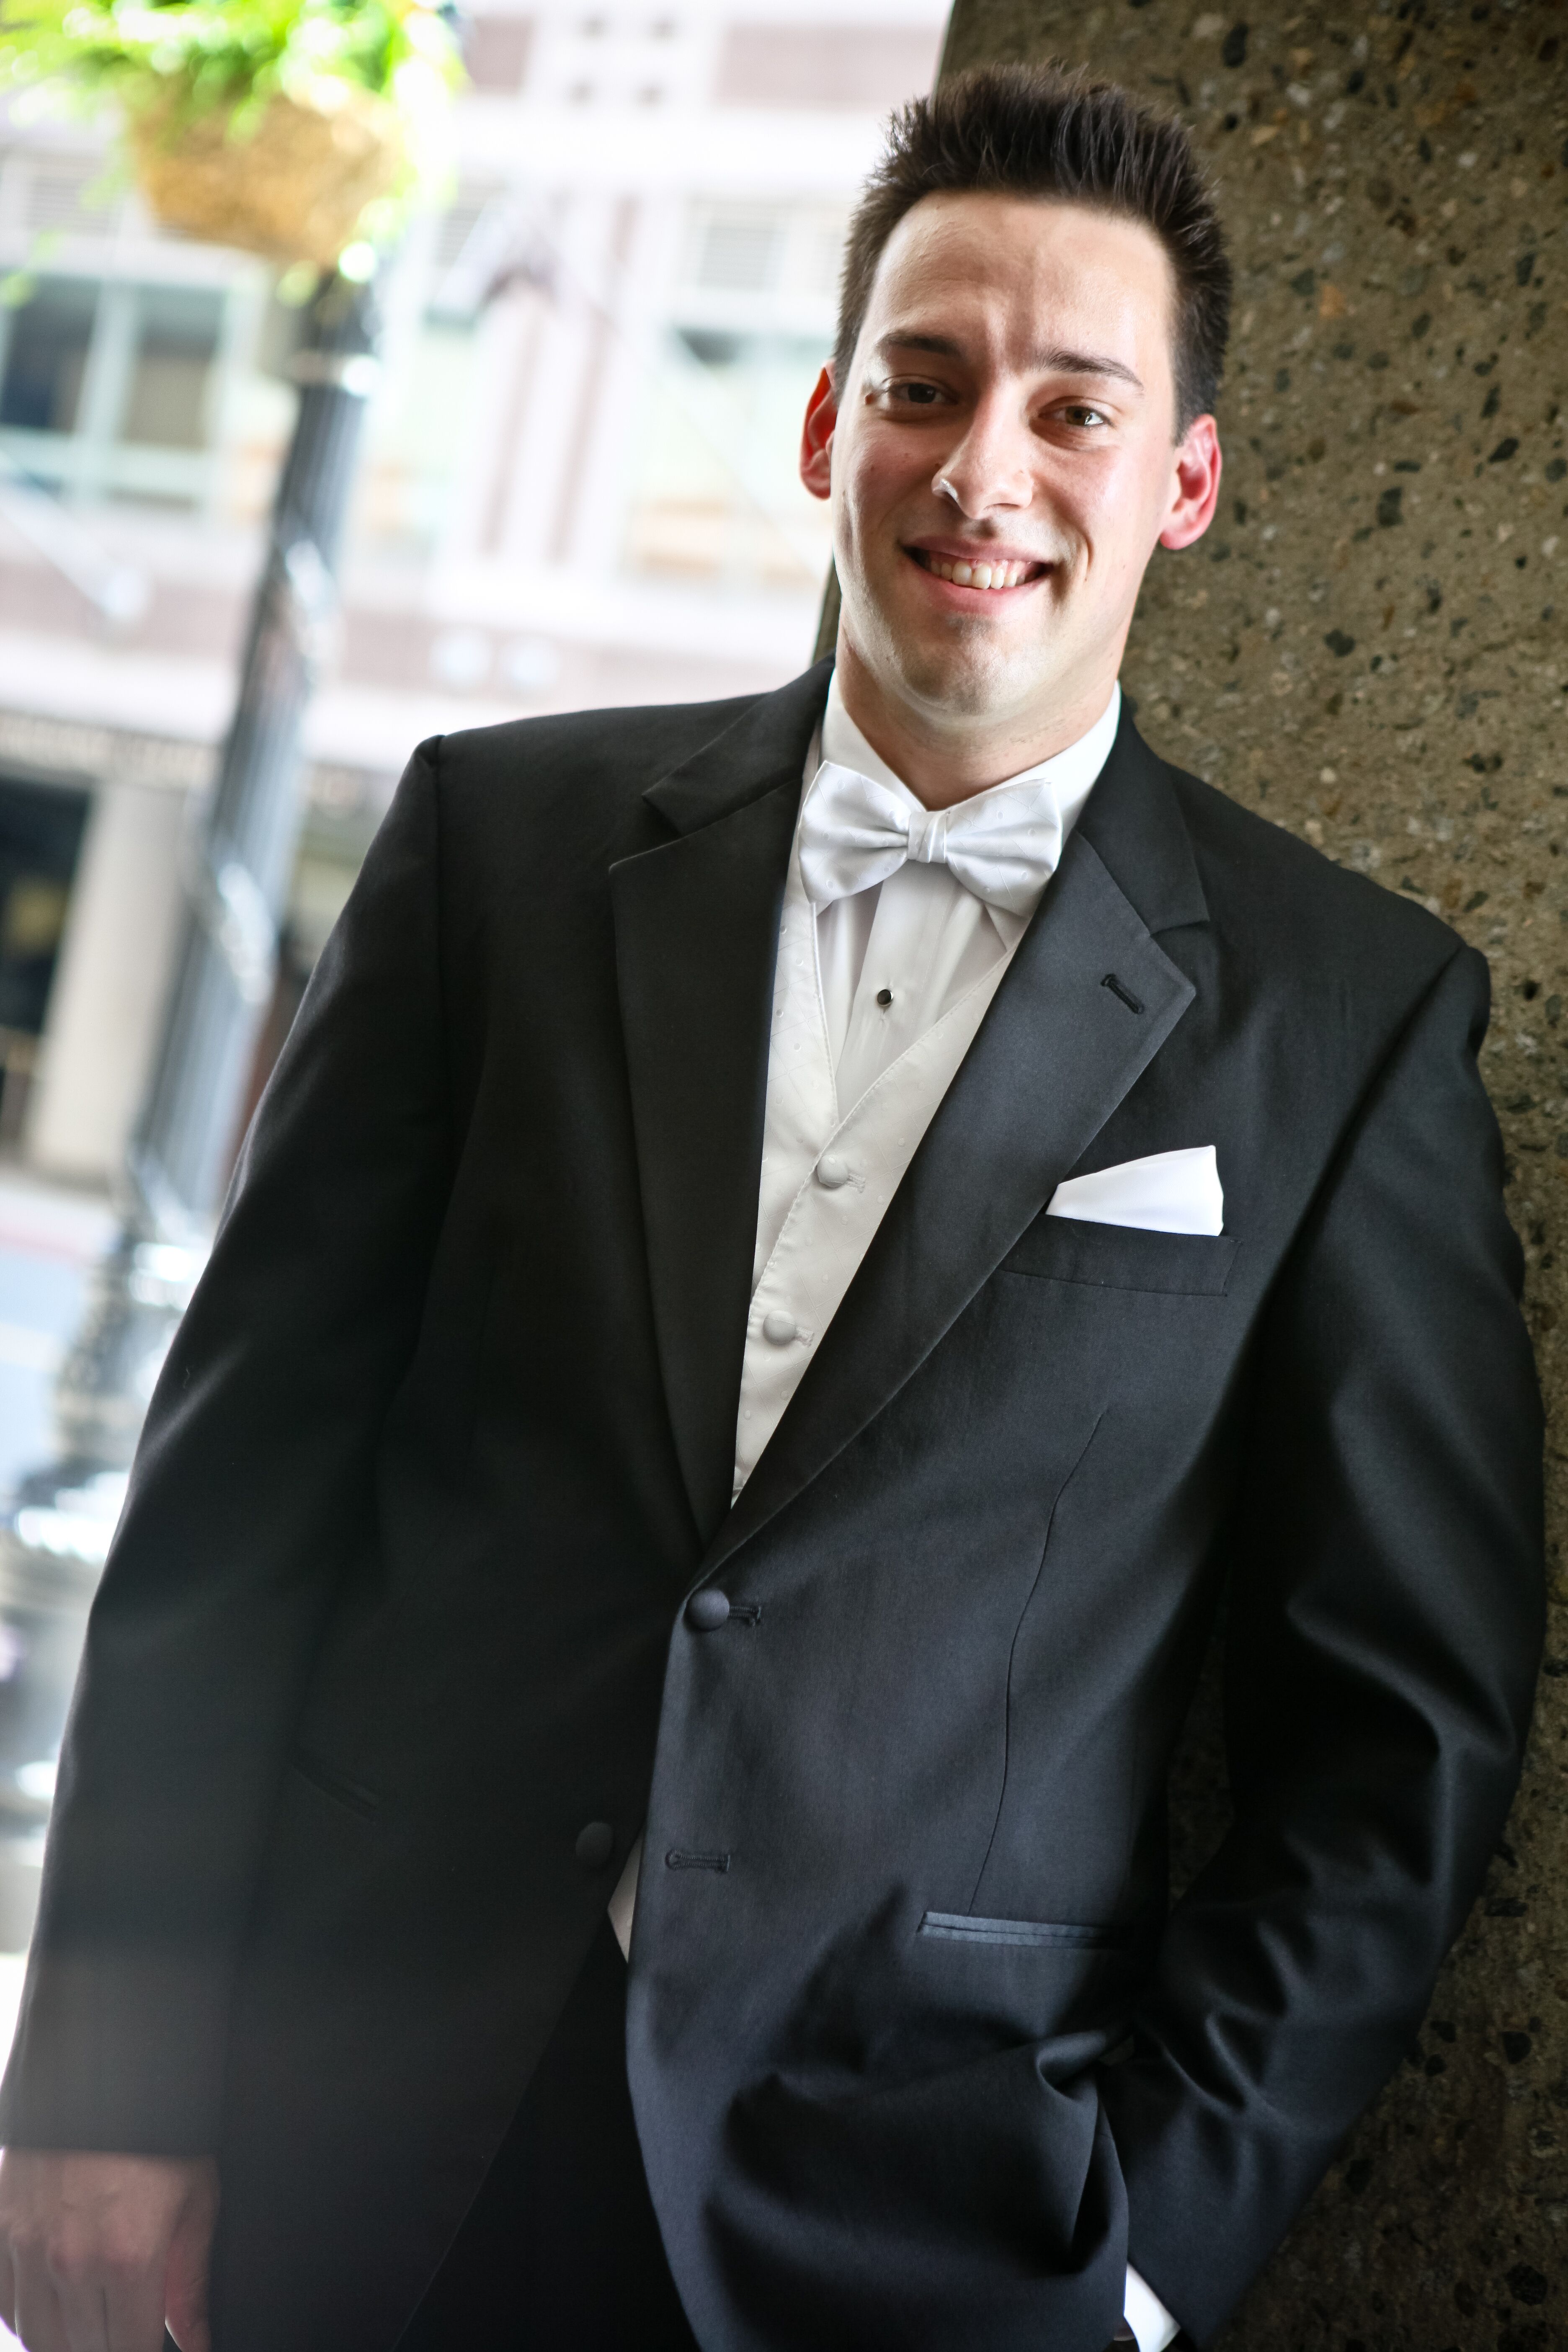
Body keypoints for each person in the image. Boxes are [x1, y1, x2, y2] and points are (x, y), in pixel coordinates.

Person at [0, 60, 1544, 2352]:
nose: (984, 466)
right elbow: (243, 1500)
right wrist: (106, 2083)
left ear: (1186, 483)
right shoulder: (496, 849)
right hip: (349, 2120)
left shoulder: (1345, 1023)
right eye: (926, 383)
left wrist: (1142, 2261)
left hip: (909, 2225)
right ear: (830, 423)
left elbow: (1394, 1739)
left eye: (1075, 407)